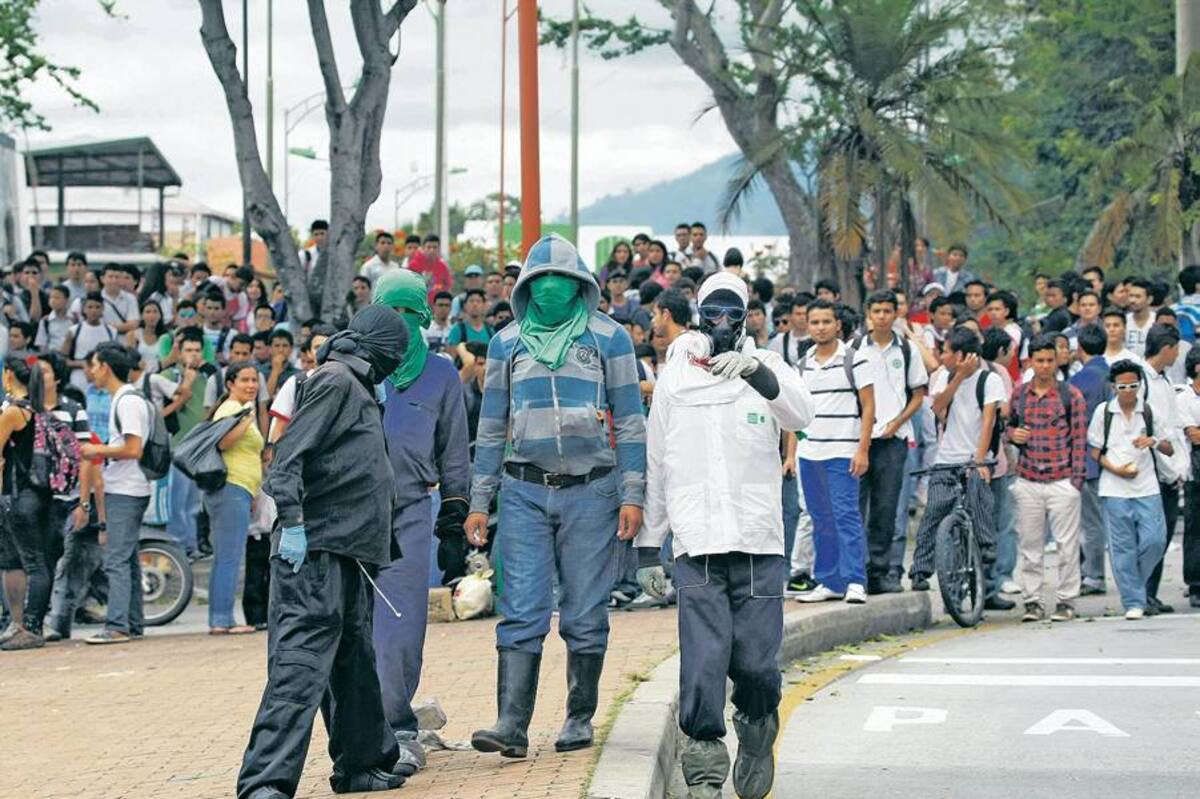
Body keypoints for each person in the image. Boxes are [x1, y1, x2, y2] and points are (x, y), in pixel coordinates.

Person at [465, 234, 646, 760]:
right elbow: (492, 425)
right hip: (523, 491)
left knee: (585, 612)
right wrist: (481, 500)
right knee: (521, 608)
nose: (548, 288)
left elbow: (631, 423)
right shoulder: (506, 343)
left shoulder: (610, 339)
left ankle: (578, 715)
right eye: (538, 280)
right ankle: (511, 724)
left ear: (580, 283)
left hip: (593, 492)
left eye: (560, 280)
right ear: (524, 286)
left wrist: (632, 493)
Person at [633, 271, 813, 799]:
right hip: (696, 542)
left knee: (756, 663)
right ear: (699, 313)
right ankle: (705, 761)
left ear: (747, 315)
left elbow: (802, 413)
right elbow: (657, 458)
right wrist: (650, 542)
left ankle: (757, 729)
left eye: (733, 312)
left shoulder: (769, 365)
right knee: (703, 658)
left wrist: (756, 372)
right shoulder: (676, 376)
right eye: (713, 311)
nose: (723, 322)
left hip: (758, 540)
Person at [237, 305, 411, 798]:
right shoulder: (336, 380)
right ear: (382, 347)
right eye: (398, 349)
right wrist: (292, 523)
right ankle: (264, 782)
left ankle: (361, 765)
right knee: (299, 665)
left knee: (353, 665)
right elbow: (287, 460)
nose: (400, 359)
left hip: (350, 551)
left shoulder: (359, 386)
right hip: (314, 549)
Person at [370, 270, 471, 775]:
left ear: (426, 318)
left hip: (411, 512)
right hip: (353, 516)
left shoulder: (441, 373)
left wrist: (453, 515)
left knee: (400, 629)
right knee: (355, 631)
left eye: (412, 314)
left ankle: (399, 730)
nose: (402, 324)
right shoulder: (355, 366)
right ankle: (361, 730)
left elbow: (454, 451)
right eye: (392, 313)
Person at [909, 328, 1006, 601]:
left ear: (963, 354)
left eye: (947, 351)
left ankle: (986, 549)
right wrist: (959, 377)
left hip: (975, 457)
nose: (942, 356)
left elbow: (988, 420)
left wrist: (980, 460)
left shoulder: (990, 381)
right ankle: (920, 570)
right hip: (946, 458)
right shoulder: (943, 376)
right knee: (934, 511)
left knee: (979, 499)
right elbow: (937, 407)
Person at [795, 298, 875, 604]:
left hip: (843, 451)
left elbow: (869, 406)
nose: (820, 327)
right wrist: (792, 454)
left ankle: (855, 580)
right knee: (820, 518)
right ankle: (829, 581)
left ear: (837, 325)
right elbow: (795, 414)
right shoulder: (801, 365)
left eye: (826, 321)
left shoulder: (855, 360)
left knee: (846, 516)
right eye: (814, 322)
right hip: (809, 453)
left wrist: (862, 449)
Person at [1008, 335, 1088, 622]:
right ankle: (1032, 602)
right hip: (1028, 478)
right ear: (1030, 362)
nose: (1044, 366)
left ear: (1057, 361)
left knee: (1067, 548)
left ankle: (1066, 601)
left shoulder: (1071, 396)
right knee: (1030, 546)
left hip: (1062, 480)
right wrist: (1012, 436)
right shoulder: (1019, 395)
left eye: (1049, 360)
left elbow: (1080, 441)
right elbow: (1009, 427)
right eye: (1039, 360)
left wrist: (1075, 483)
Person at [0, 356, 77, 650]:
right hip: (37, 494)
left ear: (9, 376)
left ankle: (30, 627)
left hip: (18, 495)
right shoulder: (35, 409)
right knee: (23, 561)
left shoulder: (14, 413)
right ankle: (21, 625)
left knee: (32, 562)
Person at [79, 344, 151, 645]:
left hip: (127, 487)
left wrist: (97, 449)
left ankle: (118, 625)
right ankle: (132, 622)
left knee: (116, 560)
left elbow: (134, 449)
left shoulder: (127, 401)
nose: (91, 372)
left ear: (106, 367)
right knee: (128, 559)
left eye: (94, 365)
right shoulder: (126, 399)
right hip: (129, 487)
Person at [1088, 359, 1171, 620]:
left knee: (1155, 540)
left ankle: (1132, 582)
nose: (1128, 391)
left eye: (1133, 385)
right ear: (1114, 386)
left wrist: (1153, 441)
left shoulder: (1149, 411)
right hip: (1114, 488)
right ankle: (1134, 600)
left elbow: (1170, 447)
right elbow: (1094, 451)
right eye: (1123, 386)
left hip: (1147, 486)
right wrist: (1115, 469)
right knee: (1122, 547)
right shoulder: (1104, 412)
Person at [858, 290, 928, 593]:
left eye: (888, 311)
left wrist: (897, 422)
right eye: (877, 311)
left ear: (895, 315)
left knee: (887, 509)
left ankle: (882, 572)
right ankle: (856, 572)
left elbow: (918, 395)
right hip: (860, 440)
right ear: (868, 314)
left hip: (894, 438)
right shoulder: (854, 349)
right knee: (857, 509)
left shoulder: (907, 350)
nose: (882, 316)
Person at [203, 362, 263, 636]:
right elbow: (223, 442)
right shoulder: (231, 409)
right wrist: (246, 419)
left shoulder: (239, 409)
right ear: (230, 384)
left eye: (254, 380)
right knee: (229, 557)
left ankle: (221, 617)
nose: (251, 385)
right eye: (245, 380)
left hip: (240, 490)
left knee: (227, 556)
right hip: (231, 488)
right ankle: (221, 619)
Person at [162, 328, 217, 558]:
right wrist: (186, 380)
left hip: (200, 449)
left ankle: (191, 547)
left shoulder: (208, 378)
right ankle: (177, 547)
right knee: (177, 503)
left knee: (194, 503)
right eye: (188, 350)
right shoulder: (169, 376)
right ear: (180, 352)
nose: (193, 355)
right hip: (178, 447)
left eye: (197, 350)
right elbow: (167, 410)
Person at [1069, 324, 1112, 596]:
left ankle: (1094, 575)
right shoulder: (1112, 375)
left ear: (1080, 348)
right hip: (1111, 457)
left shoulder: (1079, 382)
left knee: (1090, 522)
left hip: (1086, 459)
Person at [1177, 346, 1200, 608]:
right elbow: (1191, 435)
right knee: (1195, 529)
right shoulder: (1184, 398)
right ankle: (1195, 583)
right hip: (1195, 471)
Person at [35, 285, 74, 354]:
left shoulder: (74, 319)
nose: (52, 301)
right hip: (52, 356)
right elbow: (41, 344)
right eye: (51, 297)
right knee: (30, 360)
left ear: (66, 300)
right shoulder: (45, 321)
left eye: (57, 298)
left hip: (70, 357)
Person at [1124, 278, 1155, 356]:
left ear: (1149, 299)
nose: (1133, 300)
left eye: (1138, 297)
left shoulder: (1157, 321)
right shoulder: (1123, 321)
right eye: (1131, 296)